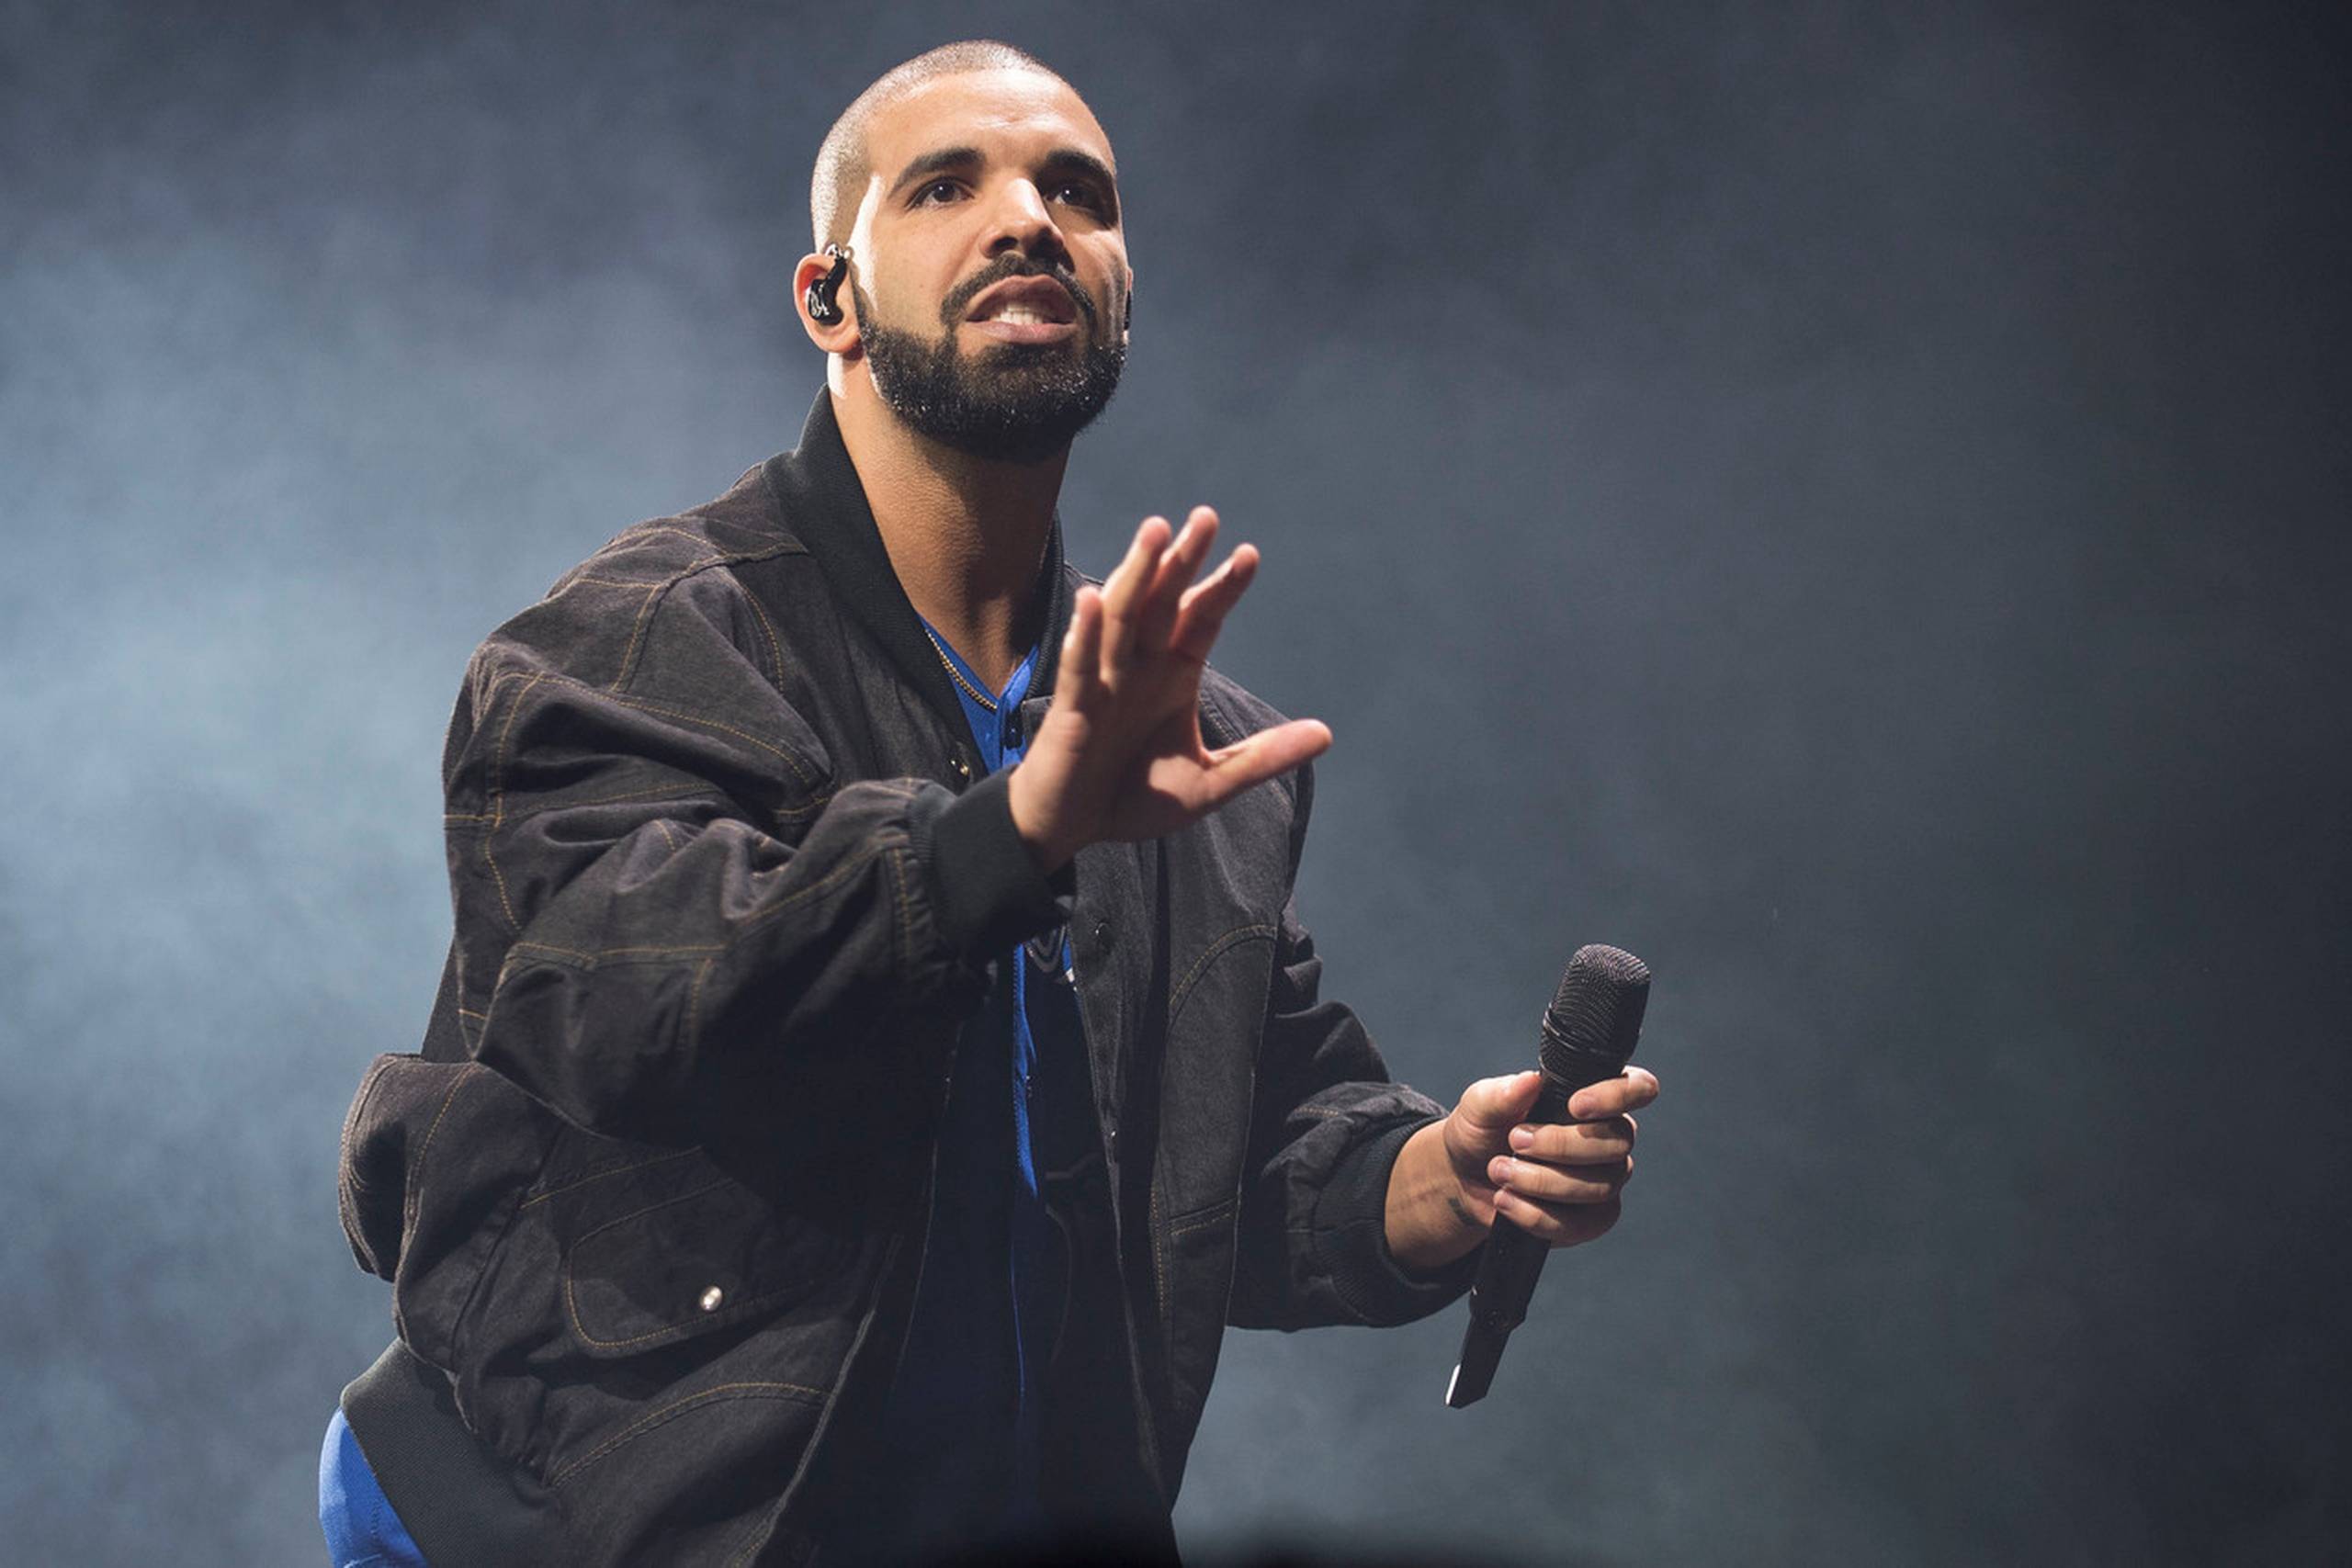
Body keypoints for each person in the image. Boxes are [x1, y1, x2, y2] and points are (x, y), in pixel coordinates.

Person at [324, 39, 1660, 1568]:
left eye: (1074, 192)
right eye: (947, 184)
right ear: (830, 297)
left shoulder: (1189, 744)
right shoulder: (644, 637)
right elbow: (627, 1000)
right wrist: (1012, 832)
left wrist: (1437, 1179)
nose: (1026, 218)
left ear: (1122, 297)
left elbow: (1230, 1141)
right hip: (588, 1528)